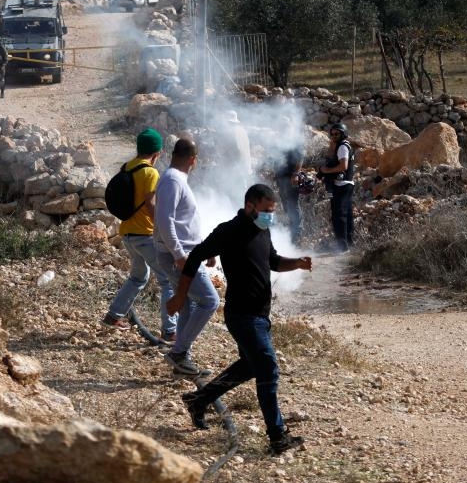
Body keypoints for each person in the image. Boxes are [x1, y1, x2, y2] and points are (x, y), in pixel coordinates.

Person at [170, 184, 312, 455]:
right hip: (242, 315)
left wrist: (297, 263)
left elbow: (272, 261)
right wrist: (180, 296)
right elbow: (196, 256)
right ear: (250, 206)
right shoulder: (229, 231)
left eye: (272, 211)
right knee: (268, 367)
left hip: (260, 315)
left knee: (250, 366)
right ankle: (277, 436)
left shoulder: (262, 229)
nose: (270, 215)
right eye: (266, 210)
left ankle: (199, 400)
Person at [101, 128, 177, 342]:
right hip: (145, 234)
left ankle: (114, 315)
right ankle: (170, 331)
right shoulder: (151, 173)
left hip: (127, 233)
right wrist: (162, 227)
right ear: (157, 153)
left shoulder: (128, 167)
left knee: (138, 276)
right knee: (167, 281)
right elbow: (151, 202)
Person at [154, 138, 220, 377]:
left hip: (185, 253)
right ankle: (178, 353)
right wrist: (180, 255)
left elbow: (184, 223)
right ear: (193, 159)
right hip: (179, 256)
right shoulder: (173, 180)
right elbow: (164, 220)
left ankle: (182, 360)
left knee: (190, 305)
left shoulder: (175, 179)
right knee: (209, 301)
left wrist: (205, 251)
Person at [318, 122, 354, 253]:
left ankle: (342, 247)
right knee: (347, 215)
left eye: (337, 133)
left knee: (339, 216)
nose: (334, 136)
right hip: (346, 184)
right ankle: (349, 244)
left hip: (341, 185)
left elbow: (343, 166)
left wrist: (325, 170)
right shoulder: (342, 146)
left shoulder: (343, 147)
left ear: (343, 134)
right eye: (332, 134)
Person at [276, 142, 303, 246]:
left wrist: (296, 174)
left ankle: (297, 232)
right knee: (286, 205)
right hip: (282, 178)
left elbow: (300, 157)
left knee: (293, 205)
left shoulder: (292, 138)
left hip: (291, 178)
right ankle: (291, 230)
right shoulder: (281, 140)